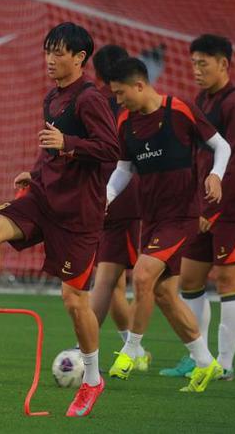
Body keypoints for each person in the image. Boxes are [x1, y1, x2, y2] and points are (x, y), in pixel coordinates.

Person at [0, 22, 120, 417]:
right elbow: (49, 149)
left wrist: (68, 144)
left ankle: (92, 379)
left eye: (59, 52)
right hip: (43, 197)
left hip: (78, 214)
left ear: (80, 58)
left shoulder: (90, 98)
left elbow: (111, 148)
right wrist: (35, 172)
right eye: (47, 51)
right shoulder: (52, 97)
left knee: (74, 301)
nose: (50, 59)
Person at [105, 57, 230, 392]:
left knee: (142, 274)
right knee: (163, 294)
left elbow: (222, 146)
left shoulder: (180, 109)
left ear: (139, 85)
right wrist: (106, 197)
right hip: (152, 218)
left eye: (120, 93)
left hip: (181, 216)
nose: (118, 100)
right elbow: (123, 169)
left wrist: (216, 175)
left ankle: (131, 351)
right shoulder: (125, 122)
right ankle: (205, 362)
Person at [160, 34, 235, 380]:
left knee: (228, 281)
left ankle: (225, 365)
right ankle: (197, 358)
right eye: (193, 63)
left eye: (203, 63)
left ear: (224, 64)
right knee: (189, 279)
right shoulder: (201, 100)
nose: (196, 70)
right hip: (201, 206)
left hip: (233, 210)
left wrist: (212, 210)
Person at [88, 44, 150, 372]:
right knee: (111, 279)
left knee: (110, 278)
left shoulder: (96, 99)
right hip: (121, 198)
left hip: (107, 198)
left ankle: (90, 347)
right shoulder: (132, 105)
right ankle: (132, 349)